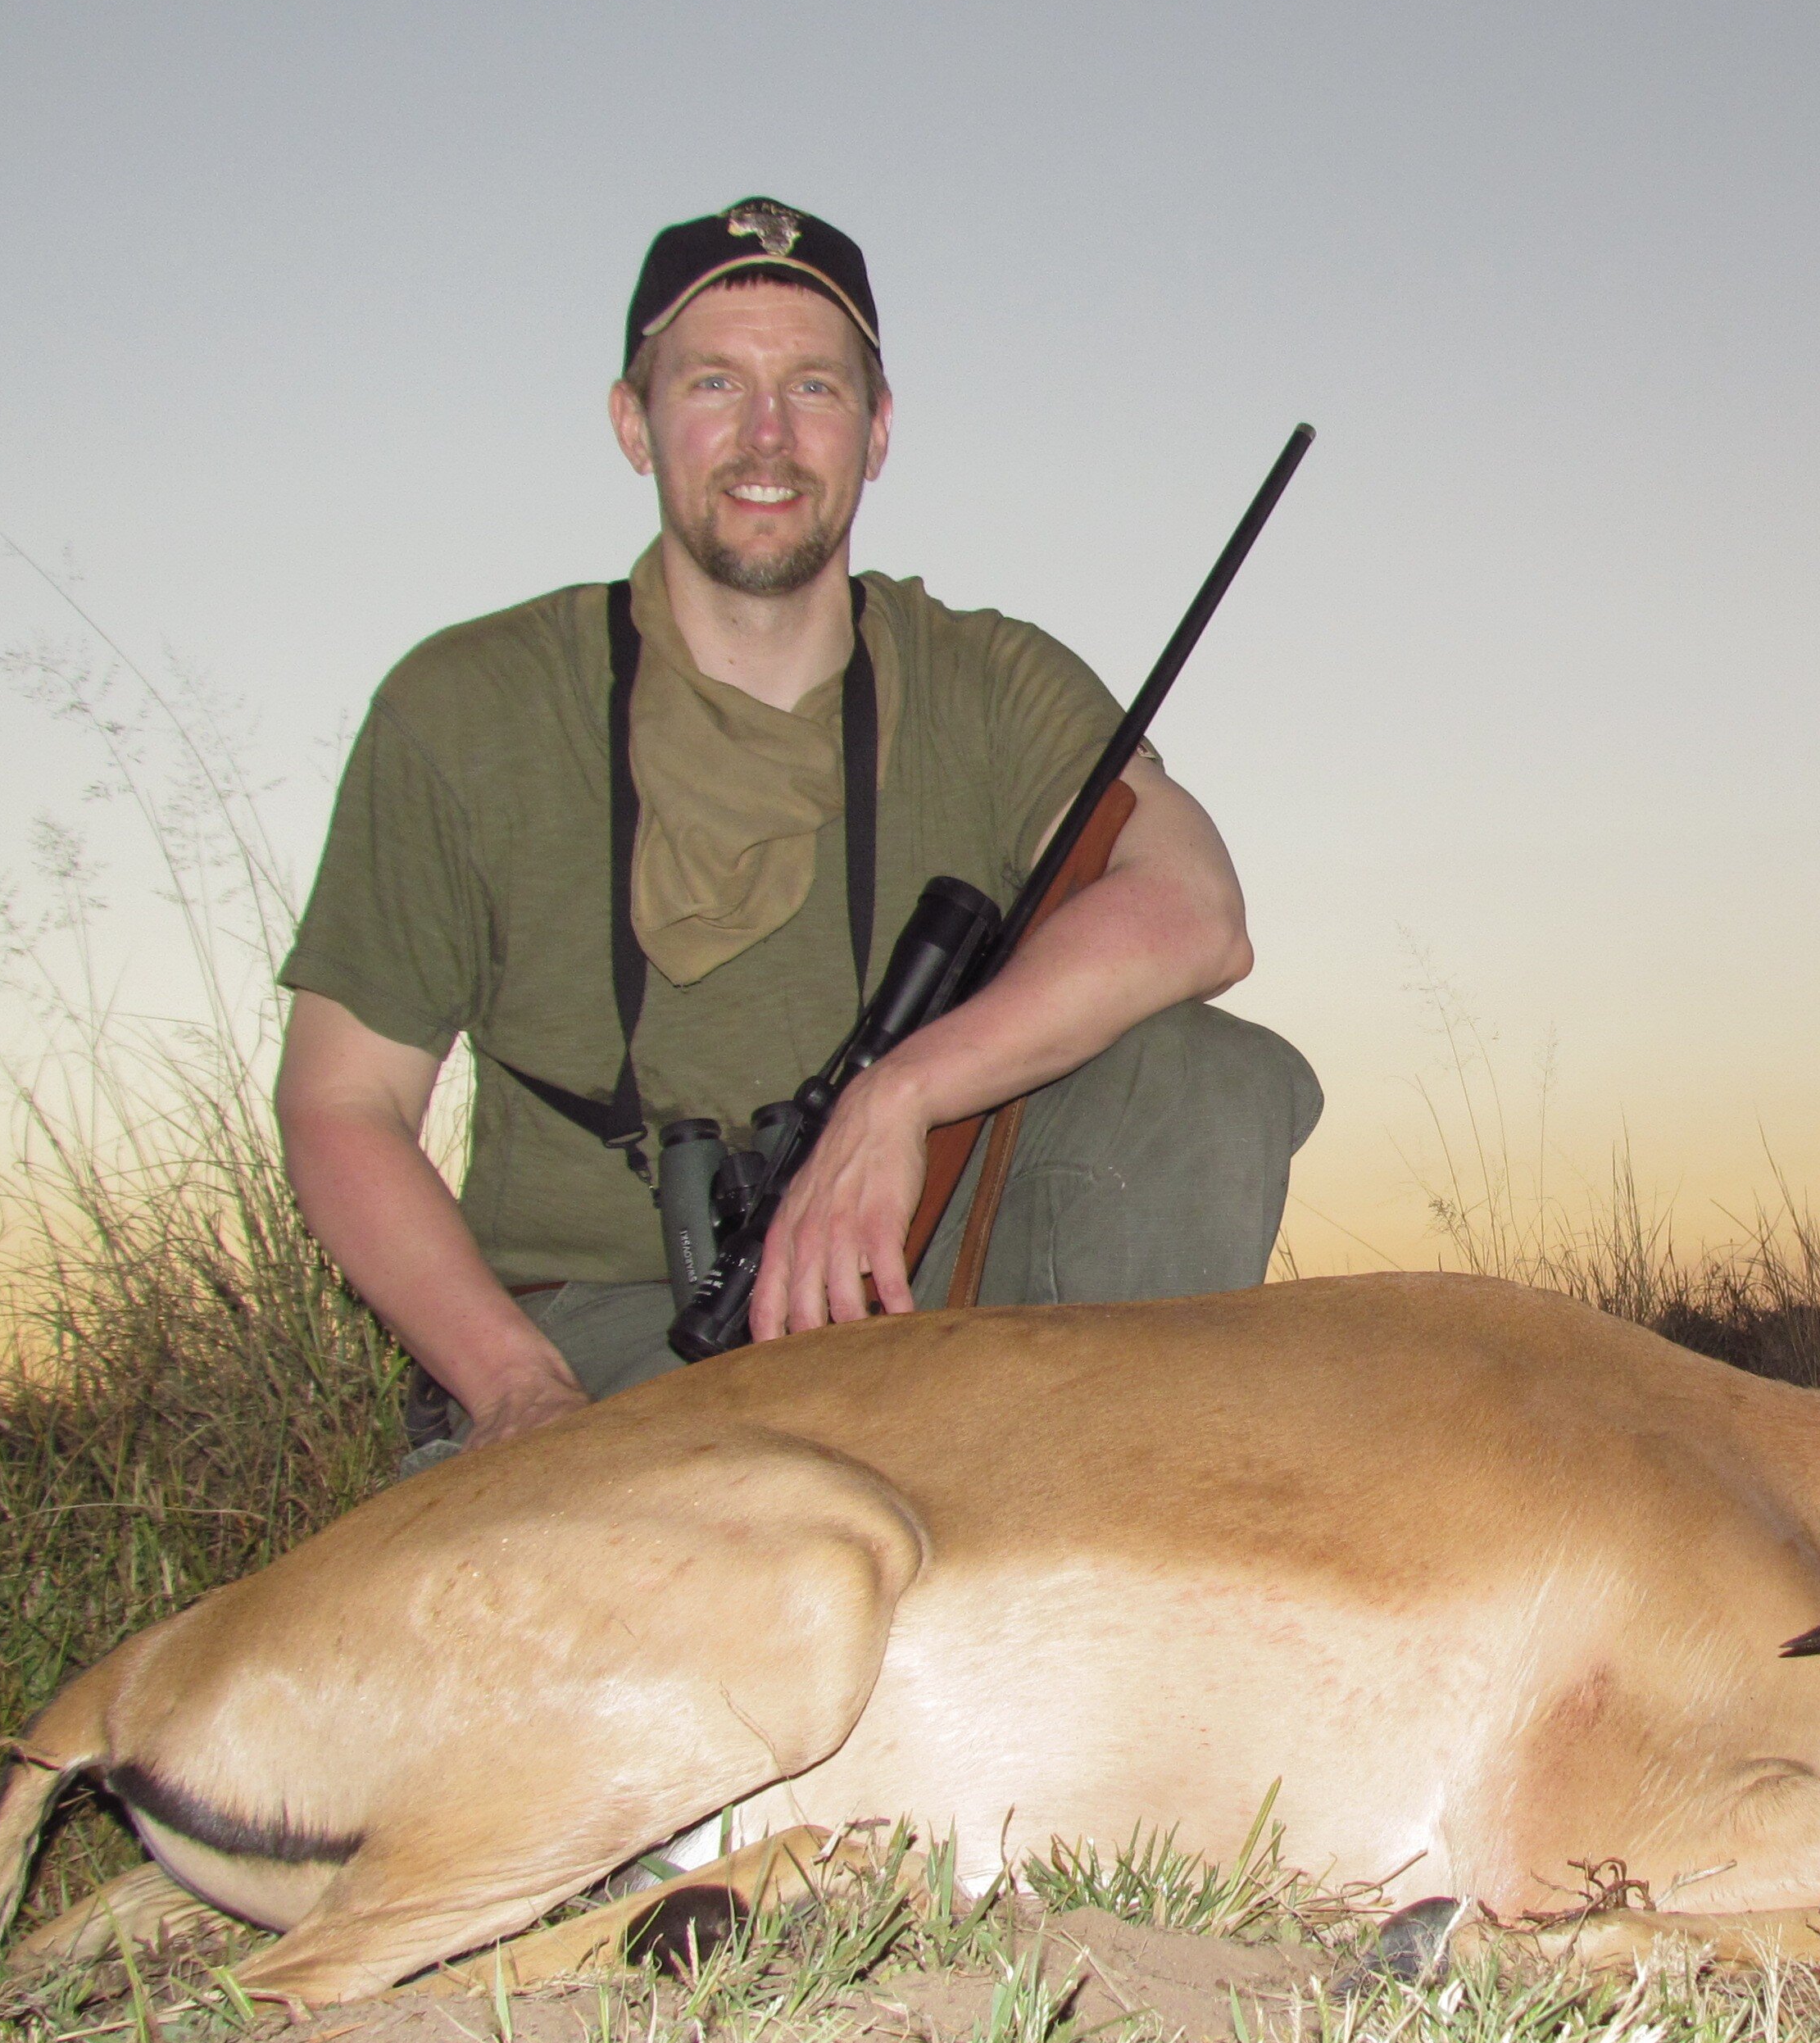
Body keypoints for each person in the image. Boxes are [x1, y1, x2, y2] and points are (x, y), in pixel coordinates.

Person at [277, 197, 1322, 1456]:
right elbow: (343, 1105)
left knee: (1210, 1072)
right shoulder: (468, 704)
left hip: (911, 1288)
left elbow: (1196, 910)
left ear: (876, 432)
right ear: (634, 421)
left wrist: (900, 1096)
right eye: (716, 382)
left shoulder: (985, 677)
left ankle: (1110, 1497)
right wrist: (516, 1390)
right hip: (609, 1342)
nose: (766, 436)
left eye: (814, 388)